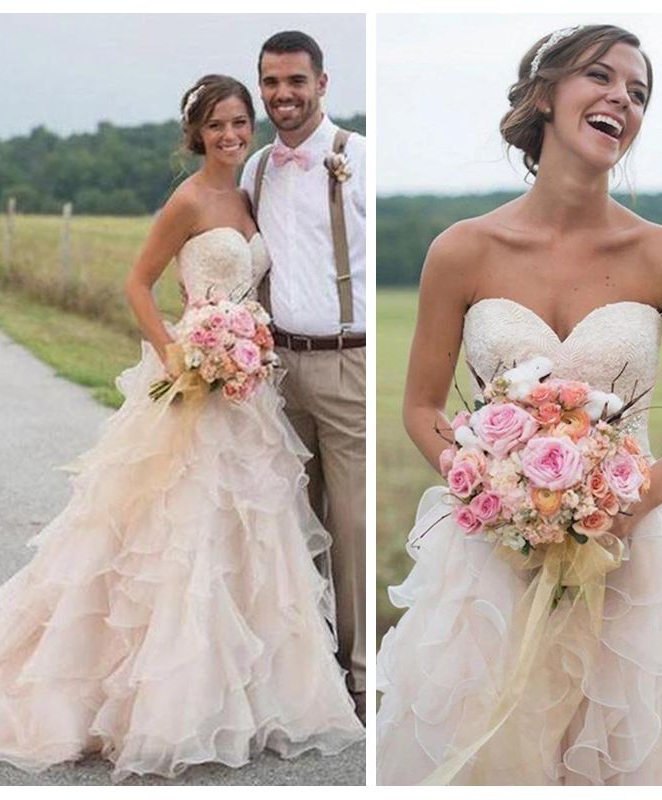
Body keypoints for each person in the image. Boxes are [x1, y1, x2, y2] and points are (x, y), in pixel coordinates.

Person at [376, 25, 662, 785]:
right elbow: (422, 407)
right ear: (546, 95)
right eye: (601, 76)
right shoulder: (461, 249)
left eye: (640, 92)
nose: (623, 97)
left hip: (632, 555)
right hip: (491, 553)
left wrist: (634, 502)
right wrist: (489, 488)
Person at [0, 74, 364, 782]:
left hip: (247, 391)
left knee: (251, 531)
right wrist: (181, 355)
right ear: (197, 133)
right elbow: (137, 283)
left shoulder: (250, 192)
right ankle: (165, 699)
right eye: (217, 125)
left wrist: (240, 350)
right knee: (180, 532)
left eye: (239, 123)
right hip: (194, 383)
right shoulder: (188, 199)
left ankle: (254, 692)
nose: (230, 135)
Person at [240, 31, 366, 723]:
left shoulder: (360, 160)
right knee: (289, 522)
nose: (282, 94)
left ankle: (359, 682)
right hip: (276, 369)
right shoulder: (256, 168)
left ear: (322, 82)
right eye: (270, 82)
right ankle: (305, 673)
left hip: (348, 361)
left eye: (295, 80)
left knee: (348, 526)